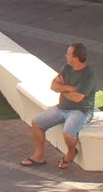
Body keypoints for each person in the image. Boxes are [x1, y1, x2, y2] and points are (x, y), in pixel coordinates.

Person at [21, 43, 97, 171]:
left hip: (80, 111)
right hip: (61, 108)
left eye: (68, 54)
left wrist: (61, 90)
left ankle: (71, 154)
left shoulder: (88, 74)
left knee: (68, 133)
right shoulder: (67, 68)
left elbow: (77, 98)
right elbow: (53, 85)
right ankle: (38, 157)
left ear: (76, 57)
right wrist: (68, 89)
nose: (65, 56)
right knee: (37, 123)